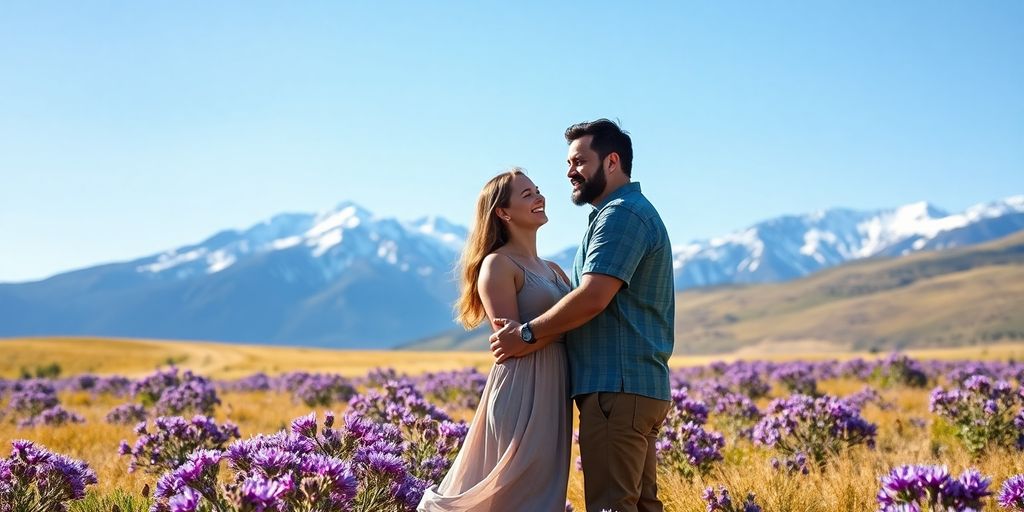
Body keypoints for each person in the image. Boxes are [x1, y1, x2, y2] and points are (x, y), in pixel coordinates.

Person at [490, 119, 675, 512]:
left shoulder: (621, 215)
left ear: (611, 162)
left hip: (617, 384)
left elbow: (592, 297)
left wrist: (524, 335)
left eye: (579, 161)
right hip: (631, 387)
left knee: (613, 505)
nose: (570, 172)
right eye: (568, 163)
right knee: (639, 505)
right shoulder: (617, 214)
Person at [418, 168, 572, 512]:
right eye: (527, 194)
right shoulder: (498, 265)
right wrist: (571, 322)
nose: (539, 197)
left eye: (537, 190)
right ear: (503, 212)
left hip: (554, 391)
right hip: (522, 390)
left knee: (544, 493)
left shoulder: (555, 269)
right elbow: (513, 340)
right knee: (512, 493)